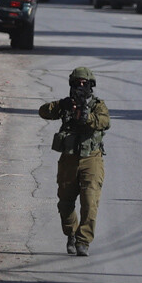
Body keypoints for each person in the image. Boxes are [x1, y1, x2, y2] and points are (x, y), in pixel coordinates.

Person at [38, 67, 110, 257]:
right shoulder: (67, 105)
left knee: (90, 202)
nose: (80, 86)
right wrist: (63, 105)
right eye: (77, 83)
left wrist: (87, 117)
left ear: (90, 86)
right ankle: (71, 234)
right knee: (65, 203)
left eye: (84, 84)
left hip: (91, 159)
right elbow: (43, 112)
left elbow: (105, 122)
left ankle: (83, 241)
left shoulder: (97, 105)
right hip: (69, 159)